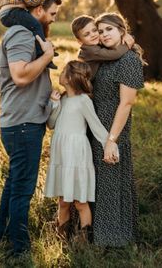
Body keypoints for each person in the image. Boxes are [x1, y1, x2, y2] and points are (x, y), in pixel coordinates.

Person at [0, 0, 61, 258]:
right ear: (37, 12)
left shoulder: (27, 34)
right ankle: (19, 250)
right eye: (52, 14)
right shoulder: (22, 34)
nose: (54, 19)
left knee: (15, 182)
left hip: (22, 122)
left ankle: (2, 234)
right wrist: (47, 55)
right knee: (23, 187)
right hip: (23, 125)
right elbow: (21, 76)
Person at [44, 60, 118, 242]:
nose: (60, 74)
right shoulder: (62, 98)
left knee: (80, 202)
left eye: (63, 71)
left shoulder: (84, 100)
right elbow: (51, 124)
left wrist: (110, 145)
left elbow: (96, 126)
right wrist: (54, 104)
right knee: (63, 201)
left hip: (76, 154)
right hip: (62, 153)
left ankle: (84, 241)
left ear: (70, 78)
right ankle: (61, 238)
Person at [89, 13, 144, 248]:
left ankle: (111, 239)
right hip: (93, 126)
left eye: (109, 29)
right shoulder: (103, 57)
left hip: (113, 128)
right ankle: (88, 234)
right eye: (100, 31)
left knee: (110, 180)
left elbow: (127, 103)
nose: (103, 34)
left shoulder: (129, 60)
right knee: (93, 180)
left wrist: (112, 139)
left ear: (122, 31)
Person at [71, 14, 144, 77]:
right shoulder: (91, 51)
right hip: (81, 86)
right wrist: (127, 44)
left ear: (121, 31)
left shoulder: (129, 59)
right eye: (87, 34)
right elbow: (115, 54)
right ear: (80, 41)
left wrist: (125, 35)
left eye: (95, 30)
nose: (93, 35)